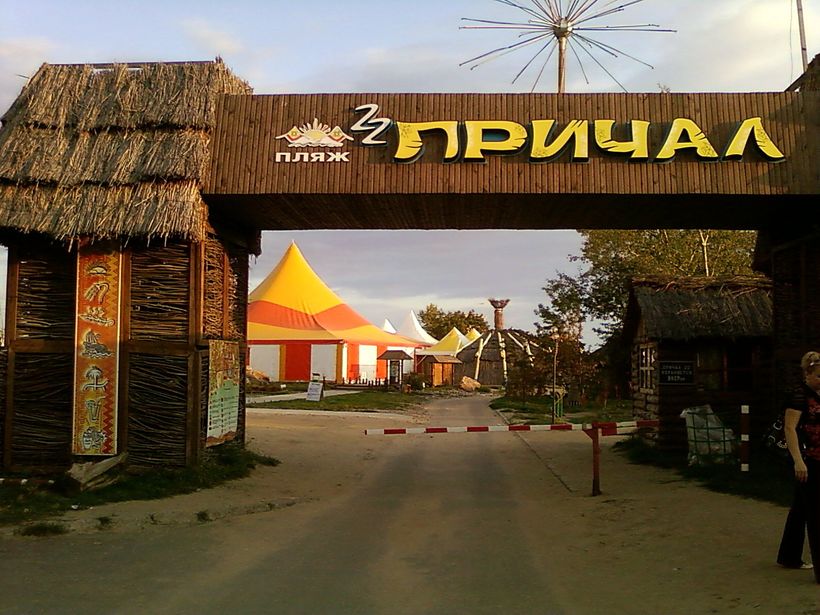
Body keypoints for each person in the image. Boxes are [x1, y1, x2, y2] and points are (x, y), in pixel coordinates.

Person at [777, 350, 820, 582]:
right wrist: (798, 460)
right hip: (806, 459)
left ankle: (789, 555)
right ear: (808, 374)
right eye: (819, 376)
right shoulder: (799, 395)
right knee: (815, 512)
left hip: (817, 455)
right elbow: (789, 428)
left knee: (801, 508)